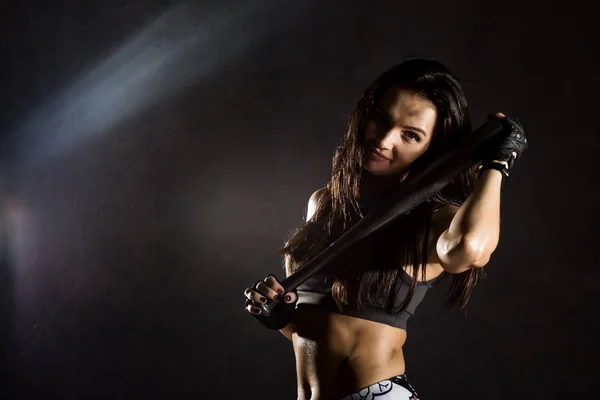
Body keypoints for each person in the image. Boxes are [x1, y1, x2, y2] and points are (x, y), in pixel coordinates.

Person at [243, 58, 528, 400]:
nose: (385, 140)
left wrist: (496, 166)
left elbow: (469, 250)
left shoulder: (434, 217)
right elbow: (316, 329)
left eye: (410, 135)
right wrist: (281, 317)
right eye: (380, 118)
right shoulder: (324, 203)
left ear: (431, 149)